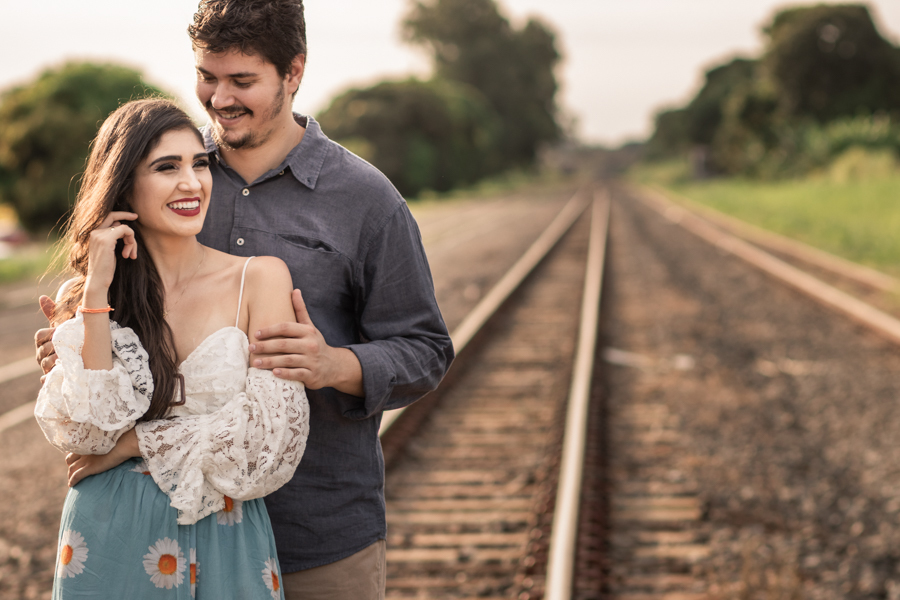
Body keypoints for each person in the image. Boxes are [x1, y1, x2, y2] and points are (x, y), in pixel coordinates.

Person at [36, 1, 454, 598]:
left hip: (317, 531)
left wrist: (337, 364)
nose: (219, 98)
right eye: (207, 76)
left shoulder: (367, 201)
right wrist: (72, 344)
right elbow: (114, 336)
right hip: (160, 532)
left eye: (242, 81)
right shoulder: (172, 180)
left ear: (294, 72)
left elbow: (428, 350)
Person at [35, 98, 310, 598]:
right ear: (123, 186)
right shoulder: (88, 296)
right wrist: (95, 293)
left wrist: (135, 444)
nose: (192, 183)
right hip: (109, 532)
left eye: (199, 164)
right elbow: (90, 432)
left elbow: (269, 439)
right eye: (167, 167)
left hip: (223, 528)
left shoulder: (260, 278)